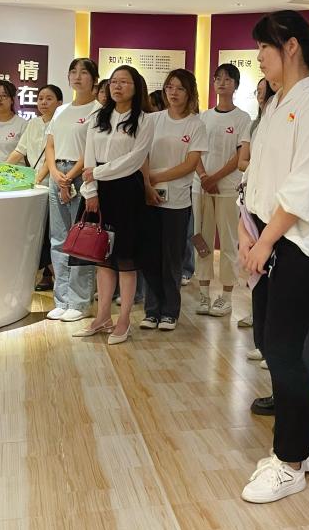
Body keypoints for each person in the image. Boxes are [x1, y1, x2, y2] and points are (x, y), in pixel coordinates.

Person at [239, 10, 309, 504]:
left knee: (281, 347)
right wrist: (248, 232)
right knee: (269, 340)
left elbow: (304, 183)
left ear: (292, 47)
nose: (259, 56)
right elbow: (258, 176)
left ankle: (290, 461)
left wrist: (266, 240)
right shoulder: (277, 104)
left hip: (302, 243)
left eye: (265, 46)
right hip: (270, 237)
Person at [73, 65, 155, 344]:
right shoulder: (98, 116)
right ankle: (103, 317)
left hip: (127, 191)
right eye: (114, 82)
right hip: (98, 191)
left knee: (126, 260)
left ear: (136, 86)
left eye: (124, 82)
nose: (117, 86)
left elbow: (134, 160)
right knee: (102, 258)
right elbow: (89, 155)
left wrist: (97, 172)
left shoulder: (144, 120)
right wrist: (90, 190)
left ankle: (124, 320)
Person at [139, 69, 207, 331]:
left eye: (180, 88)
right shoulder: (152, 119)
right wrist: (147, 184)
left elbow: (190, 164)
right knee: (151, 256)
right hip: (149, 197)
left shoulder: (195, 124)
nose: (173, 93)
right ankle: (151, 310)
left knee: (172, 258)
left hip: (177, 201)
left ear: (189, 92)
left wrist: (156, 177)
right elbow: (141, 154)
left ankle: (169, 311)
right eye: (169, 87)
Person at [194, 63, 252, 318]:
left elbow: (239, 156)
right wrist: (203, 177)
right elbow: (194, 151)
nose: (221, 83)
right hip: (201, 188)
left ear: (235, 85)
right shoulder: (204, 117)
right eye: (218, 78)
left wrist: (214, 178)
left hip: (227, 188)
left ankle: (226, 297)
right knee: (201, 240)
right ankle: (203, 294)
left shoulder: (242, 118)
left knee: (228, 242)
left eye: (227, 79)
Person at [45, 59, 100, 321]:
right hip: (57, 175)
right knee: (58, 239)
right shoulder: (60, 110)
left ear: (94, 79)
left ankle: (79, 302)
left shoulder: (99, 111)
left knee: (81, 240)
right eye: (73, 72)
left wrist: (69, 177)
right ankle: (62, 299)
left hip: (82, 177)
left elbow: (91, 150)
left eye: (84, 73)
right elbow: (50, 145)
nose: (77, 77)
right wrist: (55, 174)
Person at [7, 84, 62, 291]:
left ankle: (59, 281)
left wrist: (37, 179)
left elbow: (52, 156)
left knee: (50, 235)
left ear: (59, 103)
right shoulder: (33, 124)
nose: (43, 102)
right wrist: (1, 170)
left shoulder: (61, 124)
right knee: (36, 234)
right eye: (40, 98)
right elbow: (19, 151)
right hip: (34, 188)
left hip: (51, 186)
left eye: (49, 98)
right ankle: (53, 278)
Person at [236, 76, 276, 330]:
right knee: (253, 261)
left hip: (274, 207)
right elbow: (243, 161)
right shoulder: (254, 125)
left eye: (265, 90)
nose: (260, 96)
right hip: (251, 201)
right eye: (257, 91)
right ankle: (258, 317)